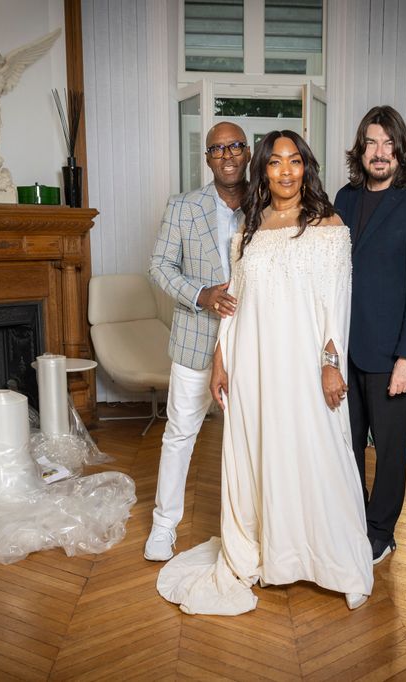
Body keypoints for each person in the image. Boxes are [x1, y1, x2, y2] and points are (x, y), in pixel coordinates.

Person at [156, 130, 373, 614]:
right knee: (260, 454)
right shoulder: (249, 230)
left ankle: (340, 561)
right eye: (276, 163)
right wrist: (219, 360)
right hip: (252, 365)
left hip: (304, 365)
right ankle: (271, 551)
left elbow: (336, 303)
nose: (286, 171)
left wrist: (331, 365)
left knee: (320, 454)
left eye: (295, 161)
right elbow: (234, 303)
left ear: (306, 168)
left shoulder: (328, 224)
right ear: (265, 170)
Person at [334, 106, 406, 564]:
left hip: (391, 352)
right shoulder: (343, 198)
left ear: (400, 150)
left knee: (392, 450)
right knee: (346, 443)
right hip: (344, 349)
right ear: (360, 149)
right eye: (371, 143)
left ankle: (381, 531)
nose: (379, 153)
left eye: (388, 144)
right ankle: (354, 518)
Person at [145, 122, 251, 561]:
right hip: (194, 340)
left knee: (248, 438)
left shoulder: (268, 206)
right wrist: (200, 295)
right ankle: (163, 526)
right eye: (217, 149)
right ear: (206, 158)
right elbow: (159, 266)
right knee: (180, 433)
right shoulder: (183, 206)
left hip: (250, 343)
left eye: (235, 147)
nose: (227, 156)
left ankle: (247, 529)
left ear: (248, 153)